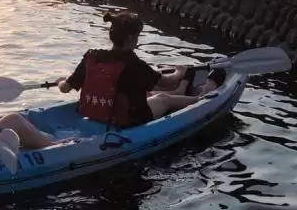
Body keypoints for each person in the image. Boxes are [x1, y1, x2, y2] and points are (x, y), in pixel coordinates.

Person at [58, 11, 200, 128]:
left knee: (149, 93)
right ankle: (200, 100)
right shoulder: (132, 63)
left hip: (96, 114)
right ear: (131, 38)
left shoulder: (91, 57)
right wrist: (179, 72)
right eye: (138, 36)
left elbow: (65, 88)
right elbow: (168, 84)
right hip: (128, 120)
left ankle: (183, 92)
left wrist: (61, 81)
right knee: (163, 99)